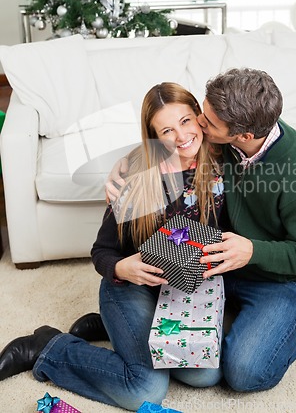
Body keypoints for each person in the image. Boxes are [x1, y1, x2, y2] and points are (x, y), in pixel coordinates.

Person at [103, 67, 296, 392]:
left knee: (243, 373)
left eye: (206, 122)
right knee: (200, 364)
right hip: (229, 266)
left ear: (243, 135)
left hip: (290, 278)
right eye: (202, 113)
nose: (199, 125)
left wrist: (253, 250)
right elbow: (171, 138)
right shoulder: (226, 137)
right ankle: (123, 324)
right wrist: (131, 160)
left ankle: (278, 340)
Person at [0, 83, 225, 410]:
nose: (180, 136)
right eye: (166, 130)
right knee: (145, 388)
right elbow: (102, 252)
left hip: (183, 292)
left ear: (200, 118)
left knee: (205, 374)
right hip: (130, 287)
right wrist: (123, 268)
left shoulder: (223, 165)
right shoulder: (138, 178)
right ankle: (48, 346)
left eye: (186, 121)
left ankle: (109, 325)